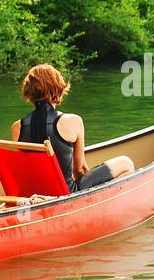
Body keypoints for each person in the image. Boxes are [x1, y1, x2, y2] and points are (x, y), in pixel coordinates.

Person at [10, 64, 133, 193]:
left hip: (34, 193)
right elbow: (79, 170)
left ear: (29, 92)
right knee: (126, 163)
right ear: (57, 89)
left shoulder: (17, 127)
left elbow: (25, 170)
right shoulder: (73, 121)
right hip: (66, 193)